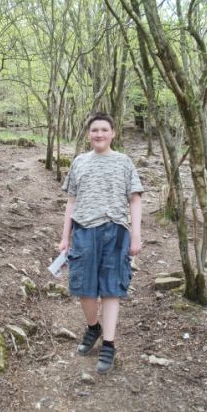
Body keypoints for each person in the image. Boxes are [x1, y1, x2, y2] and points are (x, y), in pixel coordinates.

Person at [59, 112, 143, 374]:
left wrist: (136, 235)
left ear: (113, 133)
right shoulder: (79, 162)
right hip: (84, 231)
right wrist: (65, 237)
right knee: (84, 288)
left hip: (116, 231)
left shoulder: (124, 162)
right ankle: (93, 326)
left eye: (104, 130)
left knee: (110, 289)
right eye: (94, 130)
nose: (99, 134)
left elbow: (136, 199)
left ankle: (109, 343)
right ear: (88, 134)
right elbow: (71, 201)